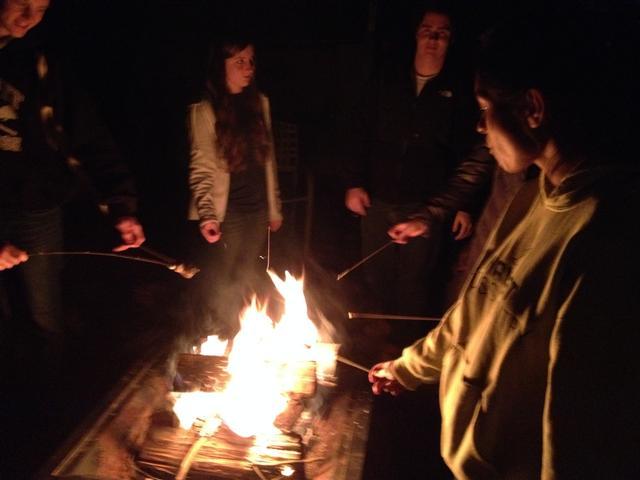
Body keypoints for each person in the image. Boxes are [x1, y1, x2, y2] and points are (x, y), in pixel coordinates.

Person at [371, 7, 640, 479]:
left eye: (484, 109)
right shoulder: (534, 195)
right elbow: (475, 312)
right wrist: (408, 368)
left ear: (533, 109)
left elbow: (581, 439)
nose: (480, 127)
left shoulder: (602, 242)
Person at [1, 0, 145, 363]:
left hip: (37, 208)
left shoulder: (41, 63)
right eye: (23, 4)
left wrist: (120, 205)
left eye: (42, 8)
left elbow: (88, 135)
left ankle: (48, 401)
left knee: (44, 318)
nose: (30, 18)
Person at [342, 1, 493, 328]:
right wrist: (354, 182)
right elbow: (359, 131)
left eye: (442, 33)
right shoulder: (389, 79)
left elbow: (473, 154)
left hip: (427, 201)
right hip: (378, 198)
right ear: (416, 35)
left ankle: (405, 355)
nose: (433, 38)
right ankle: (373, 351)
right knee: (374, 278)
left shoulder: (461, 91)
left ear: (450, 40)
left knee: (414, 284)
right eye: (428, 31)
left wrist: (464, 206)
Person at [187, 36, 282, 339]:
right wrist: (207, 214)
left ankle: (237, 339)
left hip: (256, 211)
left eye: (251, 60)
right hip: (227, 214)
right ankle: (214, 340)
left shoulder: (260, 103)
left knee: (244, 277)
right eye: (239, 61)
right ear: (221, 66)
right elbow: (201, 166)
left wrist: (274, 206)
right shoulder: (205, 110)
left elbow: (269, 161)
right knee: (220, 282)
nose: (248, 67)